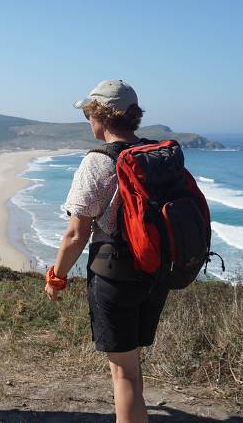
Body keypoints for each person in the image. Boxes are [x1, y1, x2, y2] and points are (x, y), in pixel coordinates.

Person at [44, 80, 169, 423]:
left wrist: (57, 276)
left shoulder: (97, 162)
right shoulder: (153, 154)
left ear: (102, 115)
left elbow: (76, 232)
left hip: (114, 275)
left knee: (123, 375)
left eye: (89, 113)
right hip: (153, 272)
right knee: (131, 364)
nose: (88, 120)